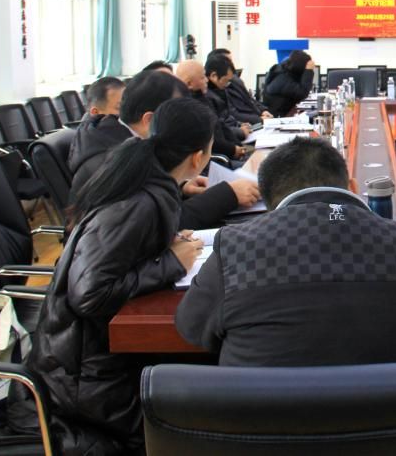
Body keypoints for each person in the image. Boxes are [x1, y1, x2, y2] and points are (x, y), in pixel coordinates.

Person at [175, 137, 396, 367]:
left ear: (267, 200)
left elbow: (191, 328)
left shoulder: (235, 249)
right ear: (352, 187)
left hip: (270, 439)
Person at [19, 98, 213, 454]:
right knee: (195, 424)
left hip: (95, 358)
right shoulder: (138, 203)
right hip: (86, 378)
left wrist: (166, 248)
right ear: (198, 157)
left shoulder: (146, 183)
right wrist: (170, 263)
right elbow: (89, 294)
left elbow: (116, 256)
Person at [68, 69, 257, 228]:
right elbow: (161, 224)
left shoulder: (123, 139)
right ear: (150, 119)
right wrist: (227, 195)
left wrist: (181, 186)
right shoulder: (113, 159)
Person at [176, 59, 248, 164]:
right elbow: (211, 140)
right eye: (202, 77)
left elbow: (220, 126)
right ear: (189, 84)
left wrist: (237, 146)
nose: (207, 80)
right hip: (215, 161)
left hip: (227, 153)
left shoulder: (203, 99)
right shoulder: (190, 108)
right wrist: (232, 149)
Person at [207, 48, 272, 124]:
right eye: (228, 61)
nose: (231, 65)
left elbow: (250, 100)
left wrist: (263, 110)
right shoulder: (218, 90)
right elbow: (232, 114)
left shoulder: (235, 81)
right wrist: (259, 119)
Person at [262, 49, 315, 117]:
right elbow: (303, 93)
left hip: (283, 113)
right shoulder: (283, 79)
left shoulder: (285, 70)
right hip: (276, 117)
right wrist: (308, 71)